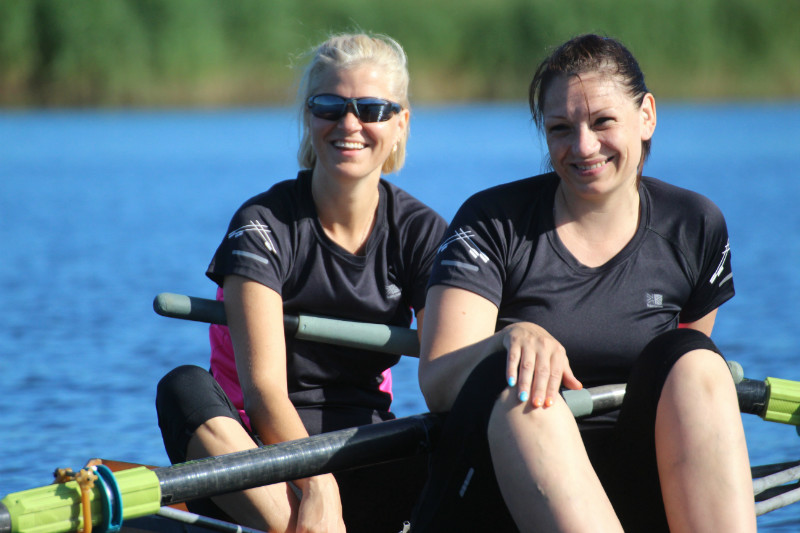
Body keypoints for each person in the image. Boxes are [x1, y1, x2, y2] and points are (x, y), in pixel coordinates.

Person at [411, 34, 756, 532]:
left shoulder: (695, 226)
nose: (583, 146)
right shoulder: (490, 222)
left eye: (602, 122)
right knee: (523, 385)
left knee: (696, 362)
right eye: (560, 129)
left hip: (632, 478)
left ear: (646, 116)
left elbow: (686, 391)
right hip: (501, 484)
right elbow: (437, 384)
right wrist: (509, 339)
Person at [156, 33, 447, 533]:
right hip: (261, 463)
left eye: (372, 109)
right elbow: (264, 392)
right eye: (329, 107)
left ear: (401, 123)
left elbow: (448, 371)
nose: (349, 124)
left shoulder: (422, 233)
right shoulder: (263, 224)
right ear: (309, 118)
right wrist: (318, 487)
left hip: (367, 451)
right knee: (182, 386)